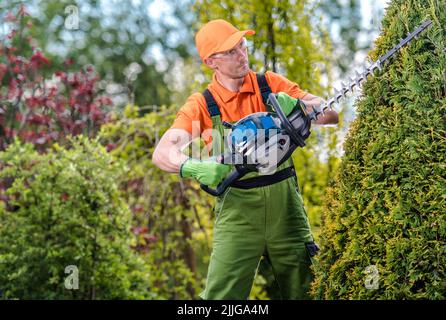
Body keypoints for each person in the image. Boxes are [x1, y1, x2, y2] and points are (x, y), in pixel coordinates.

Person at [152, 19, 338, 300]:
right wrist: (191, 166)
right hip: (238, 215)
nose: (242, 55)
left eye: (242, 46)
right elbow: (162, 152)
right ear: (211, 61)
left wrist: (300, 108)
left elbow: (331, 115)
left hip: (286, 209)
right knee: (219, 298)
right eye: (231, 51)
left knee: (308, 291)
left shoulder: (270, 85)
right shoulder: (202, 104)